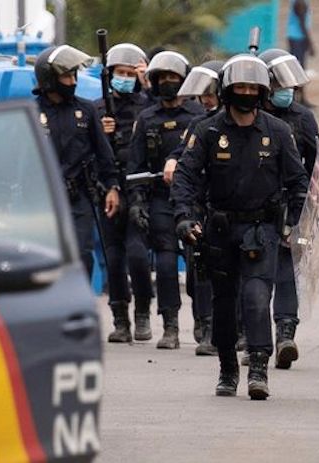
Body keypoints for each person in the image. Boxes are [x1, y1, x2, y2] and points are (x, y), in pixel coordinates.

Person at [172, 55, 308, 400]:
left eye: (253, 87)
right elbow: (185, 177)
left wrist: (294, 225)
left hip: (262, 230)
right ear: (227, 90)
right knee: (223, 302)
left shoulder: (278, 132)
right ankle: (227, 366)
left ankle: (259, 366)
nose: (246, 93)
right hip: (218, 231)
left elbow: (298, 182)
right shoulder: (207, 131)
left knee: (257, 297)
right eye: (240, 87)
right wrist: (185, 217)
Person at [260, 49, 319, 369]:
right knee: (255, 274)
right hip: (253, 203)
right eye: (280, 84)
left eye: (290, 84)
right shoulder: (248, 115)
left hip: (293, 204)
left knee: (286, 271)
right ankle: (249, 333)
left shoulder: (302, 118)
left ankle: (285, 333)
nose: (287, 90)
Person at [126, 51, 204, 350]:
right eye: (163, 78)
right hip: (161, 199)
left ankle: (203, 320)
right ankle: (170, 325)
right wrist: (137, 201)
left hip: (194, 200)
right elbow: (135, 167)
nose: (168, 83)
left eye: (174, 78)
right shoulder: (147, 118)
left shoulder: (198, 116)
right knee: (166, 263)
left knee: (198, 266)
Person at [33, 45, 121, 279]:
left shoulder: (86, 110)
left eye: (74, 75)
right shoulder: (31, 112)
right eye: (66, 76)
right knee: (49, 257)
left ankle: (80, 298)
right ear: (50, 79)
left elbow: (103, 152)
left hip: (79, 196)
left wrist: (112, 186)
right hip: (43, 199)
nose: (72, 82)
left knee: (82, 254)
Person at [168, 59, 226, 356]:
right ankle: (204, 321)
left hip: (231, 209)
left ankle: (220, 329)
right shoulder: (199, 125)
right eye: (202, 94)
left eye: (211, 93)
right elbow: (183, 158)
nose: (206, 100)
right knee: (196, 274)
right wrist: (172, 161)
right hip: (201, 208)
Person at [97, 43, 152, 344]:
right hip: (107, 191)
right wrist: (103, 131)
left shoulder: (147, 107)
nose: (126, 78)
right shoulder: (97, 109)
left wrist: (148, 83)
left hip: (138, 191)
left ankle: (143, 311)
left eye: (131, 74)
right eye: (121, 73)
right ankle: (120, 318)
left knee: (137, 255)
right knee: (114, 259)